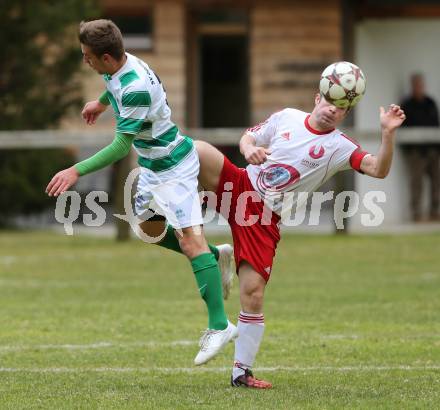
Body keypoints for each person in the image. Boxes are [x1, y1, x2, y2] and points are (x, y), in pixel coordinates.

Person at [45, 19, 237, 365]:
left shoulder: (134, 87)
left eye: (87, 56)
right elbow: (111, 84)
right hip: (152, 168)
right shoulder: (120, 63)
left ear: (106, 57)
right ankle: (216, 256)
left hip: (174, 168)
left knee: (189, 242)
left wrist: (76, 169)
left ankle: (220, 325)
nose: (84, 60)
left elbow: (121, 147)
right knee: (148, 230)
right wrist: (101, 103)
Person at [195, 93, 406, 388]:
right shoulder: (287, 117)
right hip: (241, 184)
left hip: (264, 219)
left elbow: (378, 169)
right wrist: (249, 148)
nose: (334, 109)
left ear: (345, 114)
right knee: (195, 150)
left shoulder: (340, 146)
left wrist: (387, 133)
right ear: (318, 97)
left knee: (252, 295)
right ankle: (194, 235)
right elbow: (249, 136)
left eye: (342, 107)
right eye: (331, 100)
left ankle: (241, 373)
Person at [400, 73, 440, 221]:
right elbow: (403, 127)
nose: (419, 88)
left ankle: (434, 211)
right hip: (416, 152)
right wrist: (409, 149)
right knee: (416, 183)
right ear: (412, 86)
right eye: (417, 85)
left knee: (436, 181)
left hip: (432, 150)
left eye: (421, 85)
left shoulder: (430, 103)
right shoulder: (407, 105)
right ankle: (416, 213)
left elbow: (436, 124)